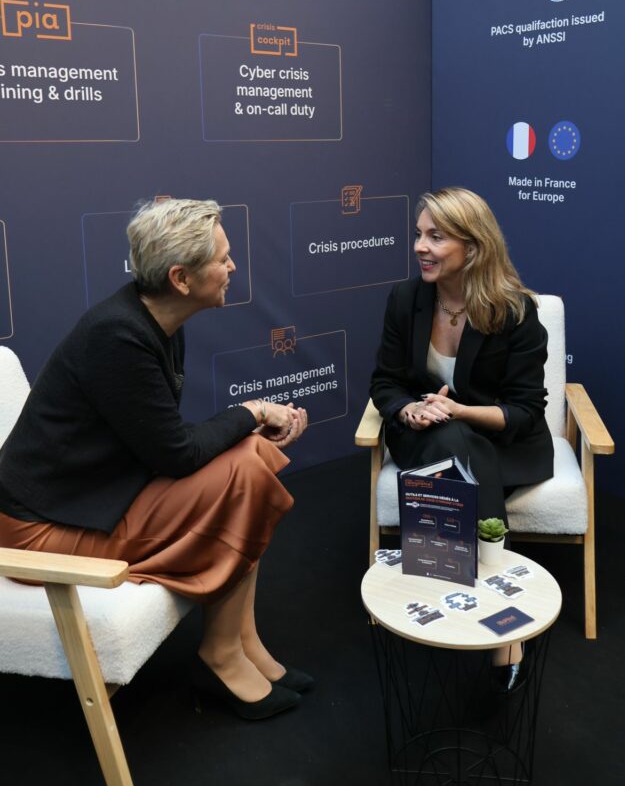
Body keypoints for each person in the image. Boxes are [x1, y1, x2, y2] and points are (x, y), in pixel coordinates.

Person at [0, 198, 310, 720]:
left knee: (250, 457)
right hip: (38, 531)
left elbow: (161, 444)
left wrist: (248, 429)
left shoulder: (156, 320)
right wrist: (254, 410)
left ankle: (242, 642)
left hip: (94, 498)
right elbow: (178, 453)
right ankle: (220, 655)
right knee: (246, 471)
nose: (233, 266)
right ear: (181, 279)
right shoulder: (117, 335)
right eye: (223, 259)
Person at [370, 186, 554, 687]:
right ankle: (505, 632)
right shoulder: (406, 299)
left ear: (472, 247)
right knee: (449, 439)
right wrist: (407, 409)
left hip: (498, 443)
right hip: (422, 436)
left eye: (436, 237)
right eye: (418, 234)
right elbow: (385, 382)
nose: (419, 247)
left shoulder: (515, 311)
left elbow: (525, 413)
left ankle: (442, 600)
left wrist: (459, 411)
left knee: (457, 439)